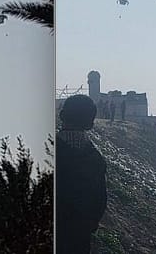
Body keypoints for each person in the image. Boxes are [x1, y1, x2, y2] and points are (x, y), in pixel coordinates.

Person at [56, 95, 107, 254]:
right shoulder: (95, 159)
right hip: (78, 240)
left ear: (62, 116)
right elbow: (100, 202)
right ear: (90, 124)